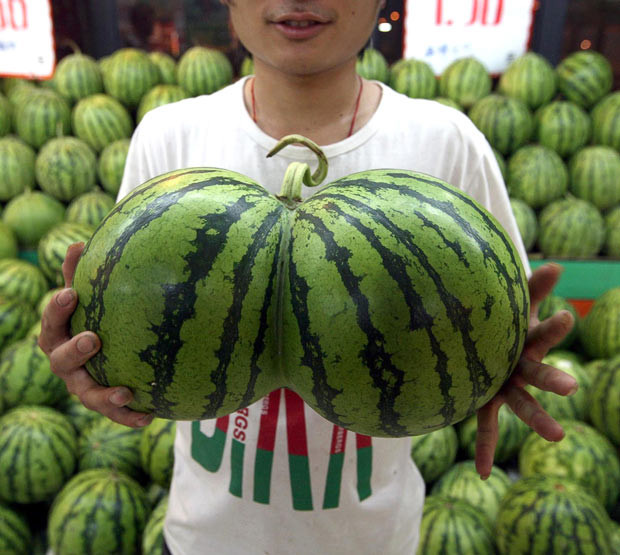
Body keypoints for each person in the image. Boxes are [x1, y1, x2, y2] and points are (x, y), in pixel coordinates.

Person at [39, 1, 577, 553]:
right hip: (208, 537)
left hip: (374, 538)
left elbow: (496, 316)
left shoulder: (446, 143)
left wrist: (495, 354)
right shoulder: (170, 137)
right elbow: (131, 318)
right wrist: (97, 358)